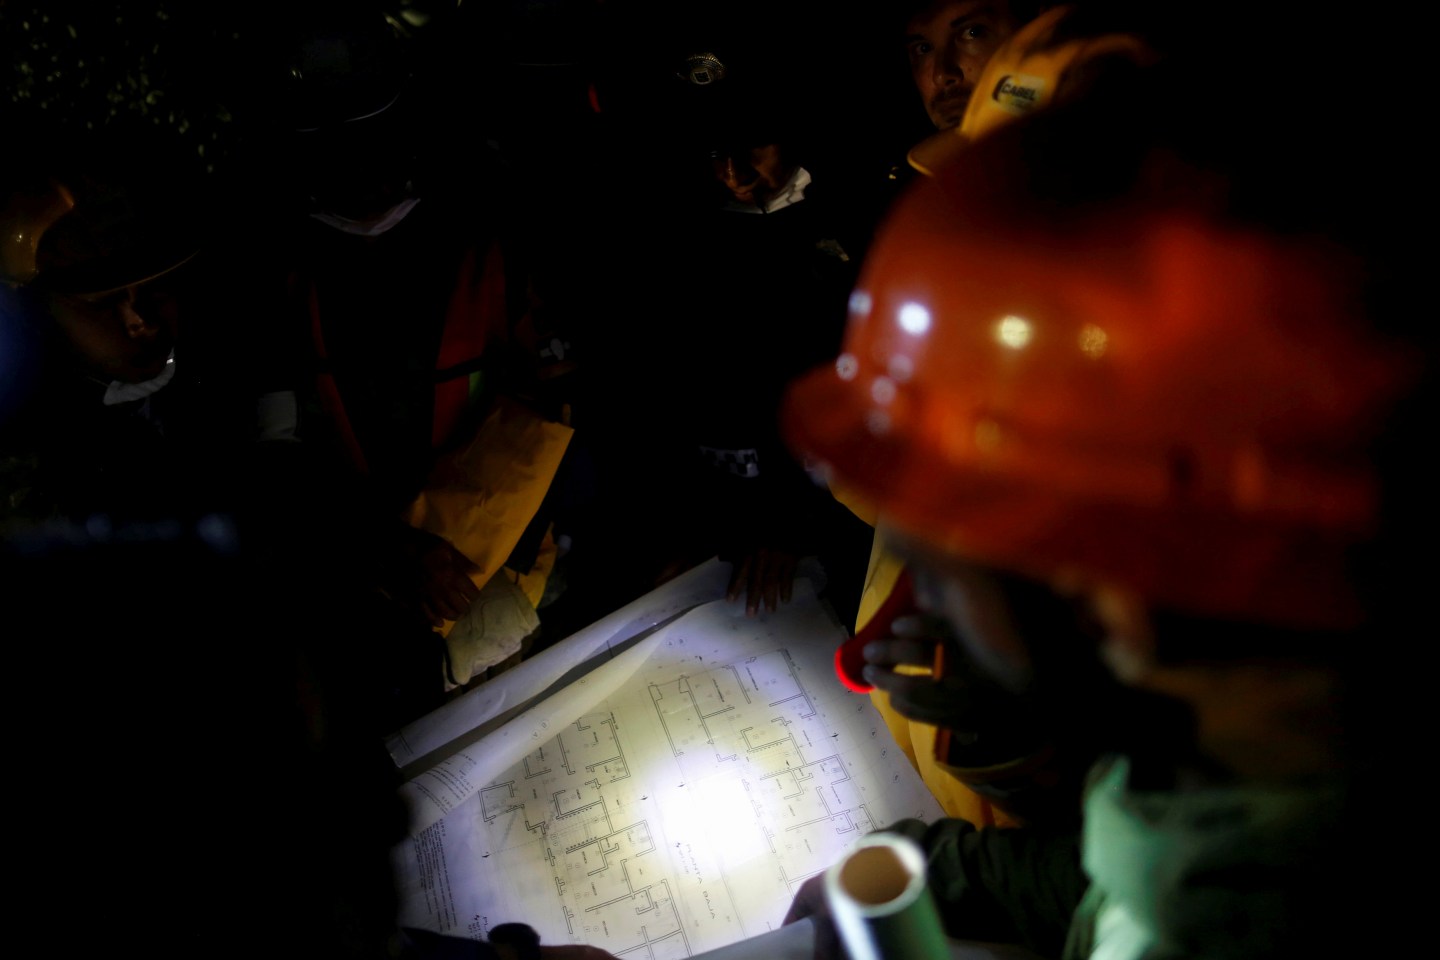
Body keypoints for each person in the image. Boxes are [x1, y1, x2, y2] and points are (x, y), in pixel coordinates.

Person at [777, 7, 1425, 957]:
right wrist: (957, 861)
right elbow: (1124, 858)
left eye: (954, 544)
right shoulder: (1236, 745)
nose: (918, 557)